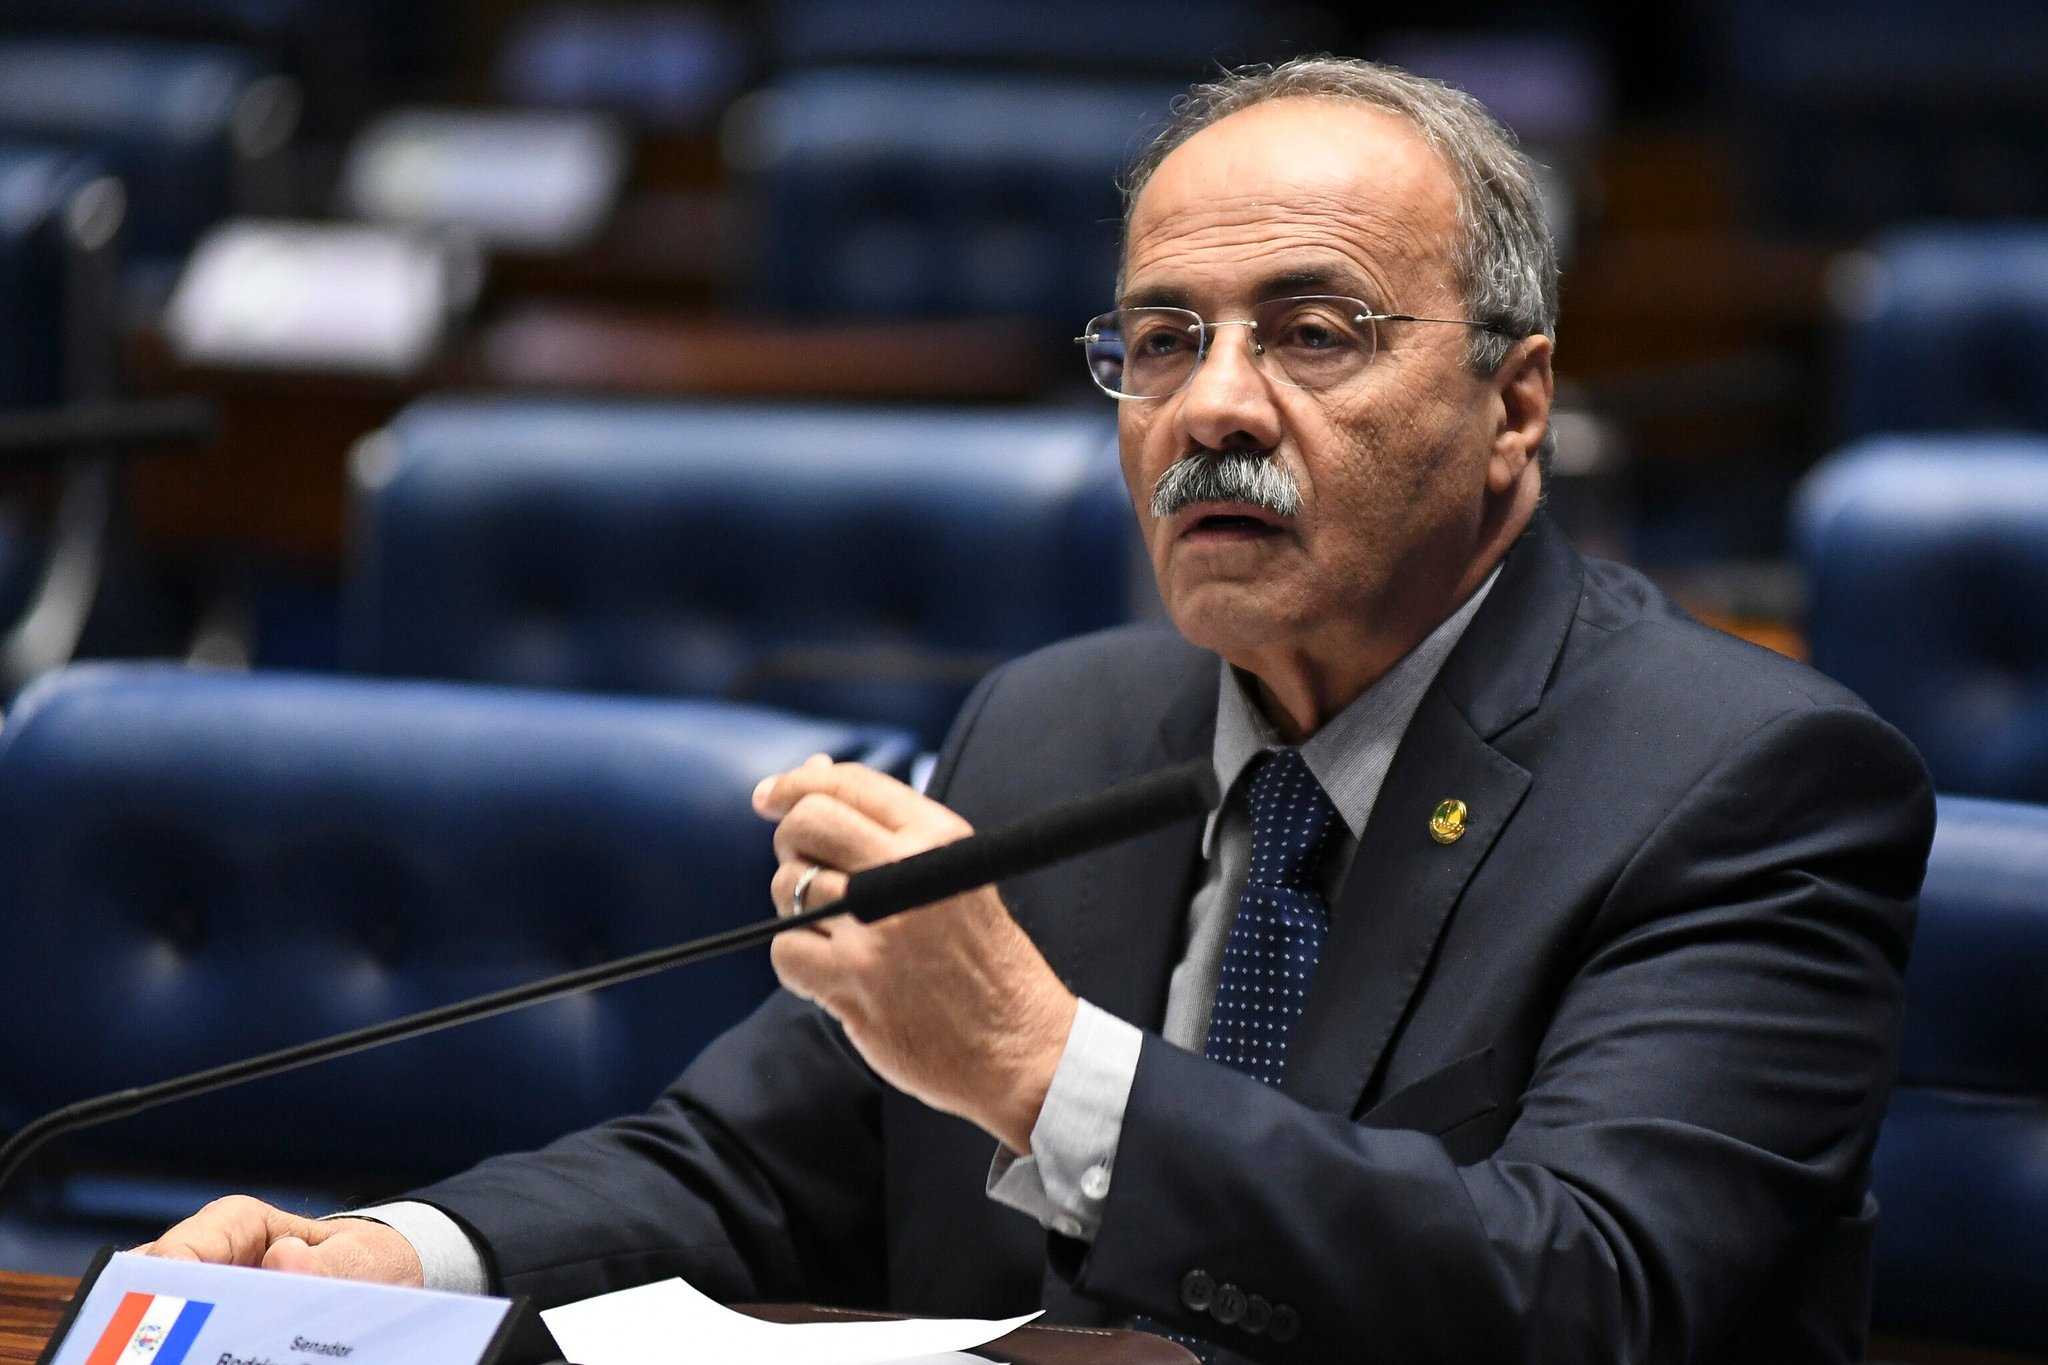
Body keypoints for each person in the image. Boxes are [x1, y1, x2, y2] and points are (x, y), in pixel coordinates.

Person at [139, 57, 1933, 1364]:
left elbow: (1594, 1296)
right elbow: (750, 1165)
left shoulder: (1747, 780)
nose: (1214, 408)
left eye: (1311, 333)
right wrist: (396, 1259)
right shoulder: (1055, 727)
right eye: (1161, 340)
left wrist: (1045, 1070)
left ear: (1514, 404)